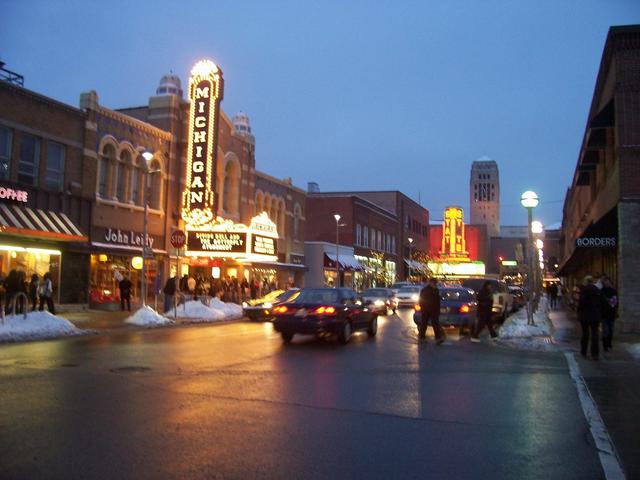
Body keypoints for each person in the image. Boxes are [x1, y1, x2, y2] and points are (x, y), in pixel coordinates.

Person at [577, 275, 606, 360]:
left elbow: (581, 303)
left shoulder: (584, 291)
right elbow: (603, 302)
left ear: (585, 282)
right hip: (595, 316)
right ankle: (595, 354)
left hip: (585, 316)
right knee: (595, 334)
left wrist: (579, 312)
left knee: (585, 333)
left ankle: (584, 351)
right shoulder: (598, 291)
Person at [418, 278, 444, 344]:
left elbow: (437, 301)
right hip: (427, 310)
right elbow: (421, 301)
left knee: (434, 324)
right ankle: (422, 337)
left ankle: (437, 338)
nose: (435, 285)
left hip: (431, 310)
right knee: (425, 324)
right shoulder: (427, 290)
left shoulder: (434, 290)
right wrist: (424, 307)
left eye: (435, 283)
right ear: (431, 283)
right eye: (434, 283)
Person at [600, 277, 618, 352]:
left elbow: (614, 302)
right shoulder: (601, 291)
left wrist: (607, 301)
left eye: (608, 282)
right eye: (605, 282)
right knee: (605, 330)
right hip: (604, 314)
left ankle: (609, 342)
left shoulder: (613, 291)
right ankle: (605, 345)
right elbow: (601, 302)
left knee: (611, 330)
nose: (607, 283)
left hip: (611, 313)